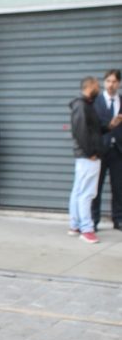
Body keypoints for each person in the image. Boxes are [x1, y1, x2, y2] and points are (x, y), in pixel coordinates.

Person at [68, 76, 103, 244]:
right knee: (87, 193)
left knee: (79, 191)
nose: (99, 88)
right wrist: (91, 153)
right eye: (97, 85)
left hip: (86, 156)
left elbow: (93, 130)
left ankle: (75, 225)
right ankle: (87, 229)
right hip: (88, 156)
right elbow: (80, 132)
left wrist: (110, 125)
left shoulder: (86, 105)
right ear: (90, 87)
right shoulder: (81, 106)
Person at [92, 68, 122, 231]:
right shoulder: (96, 102)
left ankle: (118, 219)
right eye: (108, 81)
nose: (111, 85)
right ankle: (93, 219)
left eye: (114, 81)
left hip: (118, 151)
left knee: (119, 187)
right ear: (104, 82)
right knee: (95, 187)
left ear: (119, 83)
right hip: (100, 150)